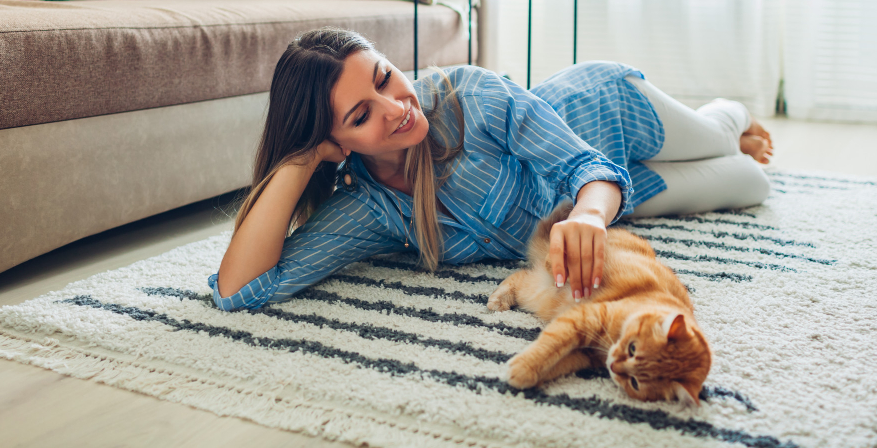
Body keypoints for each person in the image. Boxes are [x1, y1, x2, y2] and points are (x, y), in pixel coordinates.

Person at [211, 28, 773, 312]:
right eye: (361, 116)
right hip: (625, 191)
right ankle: (731, 142)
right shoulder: (369, 206)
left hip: (609, 115)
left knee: (718, 138)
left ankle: (730, 114)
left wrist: (591, 218)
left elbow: (585, 165)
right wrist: (300, 160)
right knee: (751, 182)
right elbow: (240, 290)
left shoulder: (470, 96)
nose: (397, 108)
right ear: (336, 143)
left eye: (385, 78)